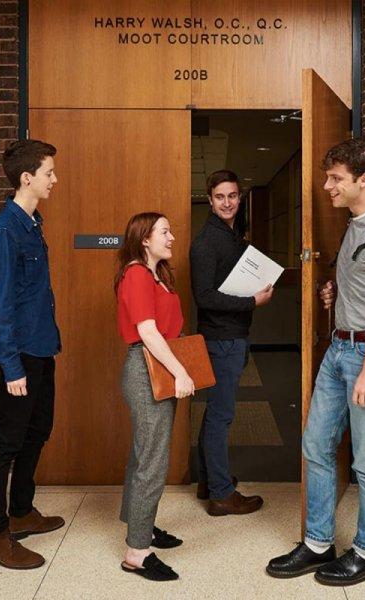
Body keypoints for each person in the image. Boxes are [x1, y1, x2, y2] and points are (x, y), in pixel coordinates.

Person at [266, 139, 365, 586]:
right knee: (315, 446)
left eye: (336, 179)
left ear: (362, 180)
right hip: (338, 351)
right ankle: (317, 543)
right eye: (328, 176)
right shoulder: (353, 224)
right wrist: (335, 295)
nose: (326, 185)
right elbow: (362, 286)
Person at [0, 139, 65, 569]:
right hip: (21, 358)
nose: (54, 179)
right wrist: (11, 366)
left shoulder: (33, 225)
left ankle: (21, 511)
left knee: (38, 431)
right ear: (26, 178)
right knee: (6, 445)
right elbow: (0, 305)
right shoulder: (3, 231)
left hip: (42, 348)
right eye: (49, 173)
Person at [115, 212, 194, 582]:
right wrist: (180, 370)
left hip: (155, 366)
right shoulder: (135, 274)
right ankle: (136, 552)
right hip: (148, 369)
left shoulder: (154, 275)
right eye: (165, 231)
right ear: (144, 238)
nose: (172, 237)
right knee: (153, 461)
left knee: (144, 454)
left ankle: (140, 527)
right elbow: (147, 331)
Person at [189, 170, 273, 516]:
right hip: (221, 338)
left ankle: (210, 481)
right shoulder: (208, 241)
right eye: (221, 197)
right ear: (210, 200)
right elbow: (204, 297)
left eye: (233, 196)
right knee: (222, 415)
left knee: (216, 413)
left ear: (240, 198)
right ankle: (222, 495)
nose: (227, 202)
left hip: (231, 335)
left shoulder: (230, 235)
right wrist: (251, 302)